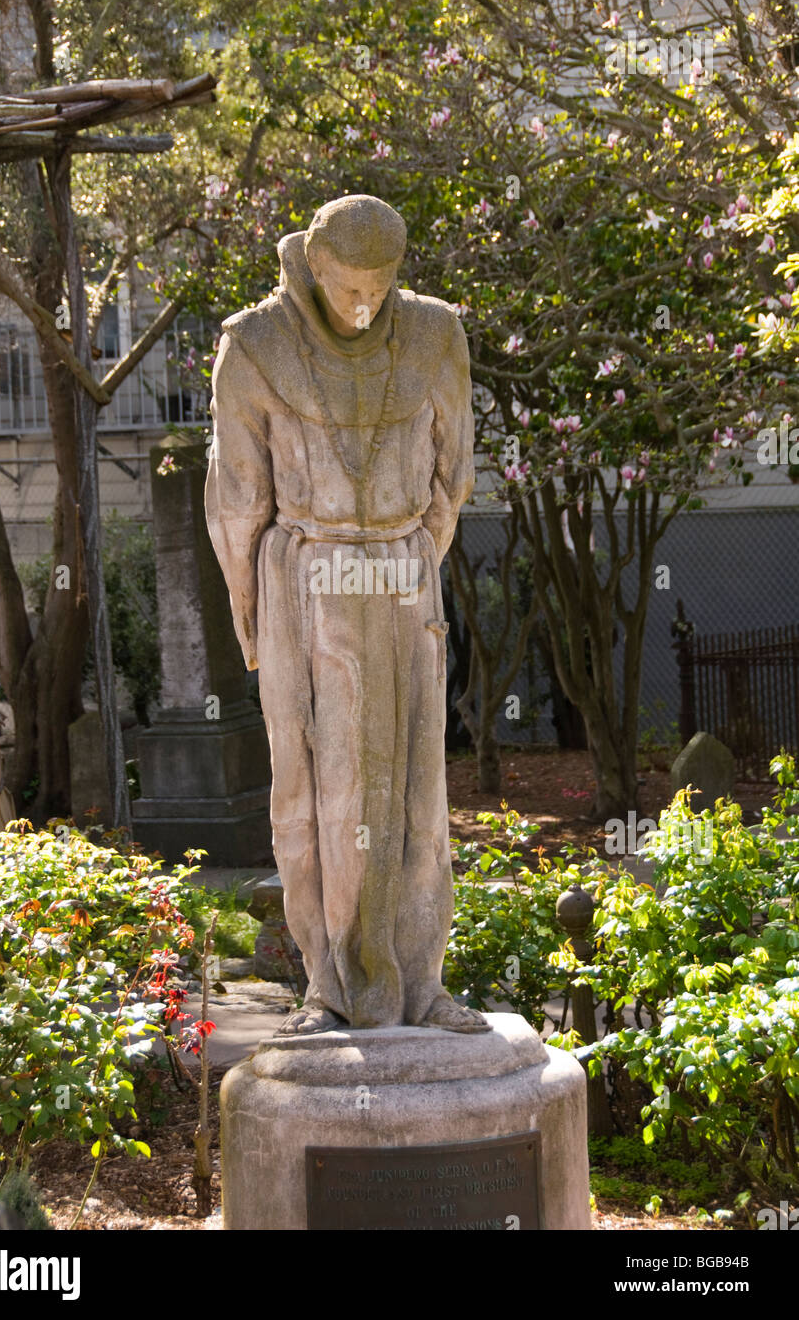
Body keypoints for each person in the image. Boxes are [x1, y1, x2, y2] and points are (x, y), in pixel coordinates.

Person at [206, 194, 488, 1035]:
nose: (362, 305)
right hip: (307, 581)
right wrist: (257, 611)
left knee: (415, 789)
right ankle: (330, 987)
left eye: (378, 288)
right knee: (315, 788)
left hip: (402, 579)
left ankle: (421, 985)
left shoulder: (435, 333)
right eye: (344, 287)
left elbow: (454, 469)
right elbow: (237, 498)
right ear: (310, 265)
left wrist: (406, 561)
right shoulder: (253, 344)